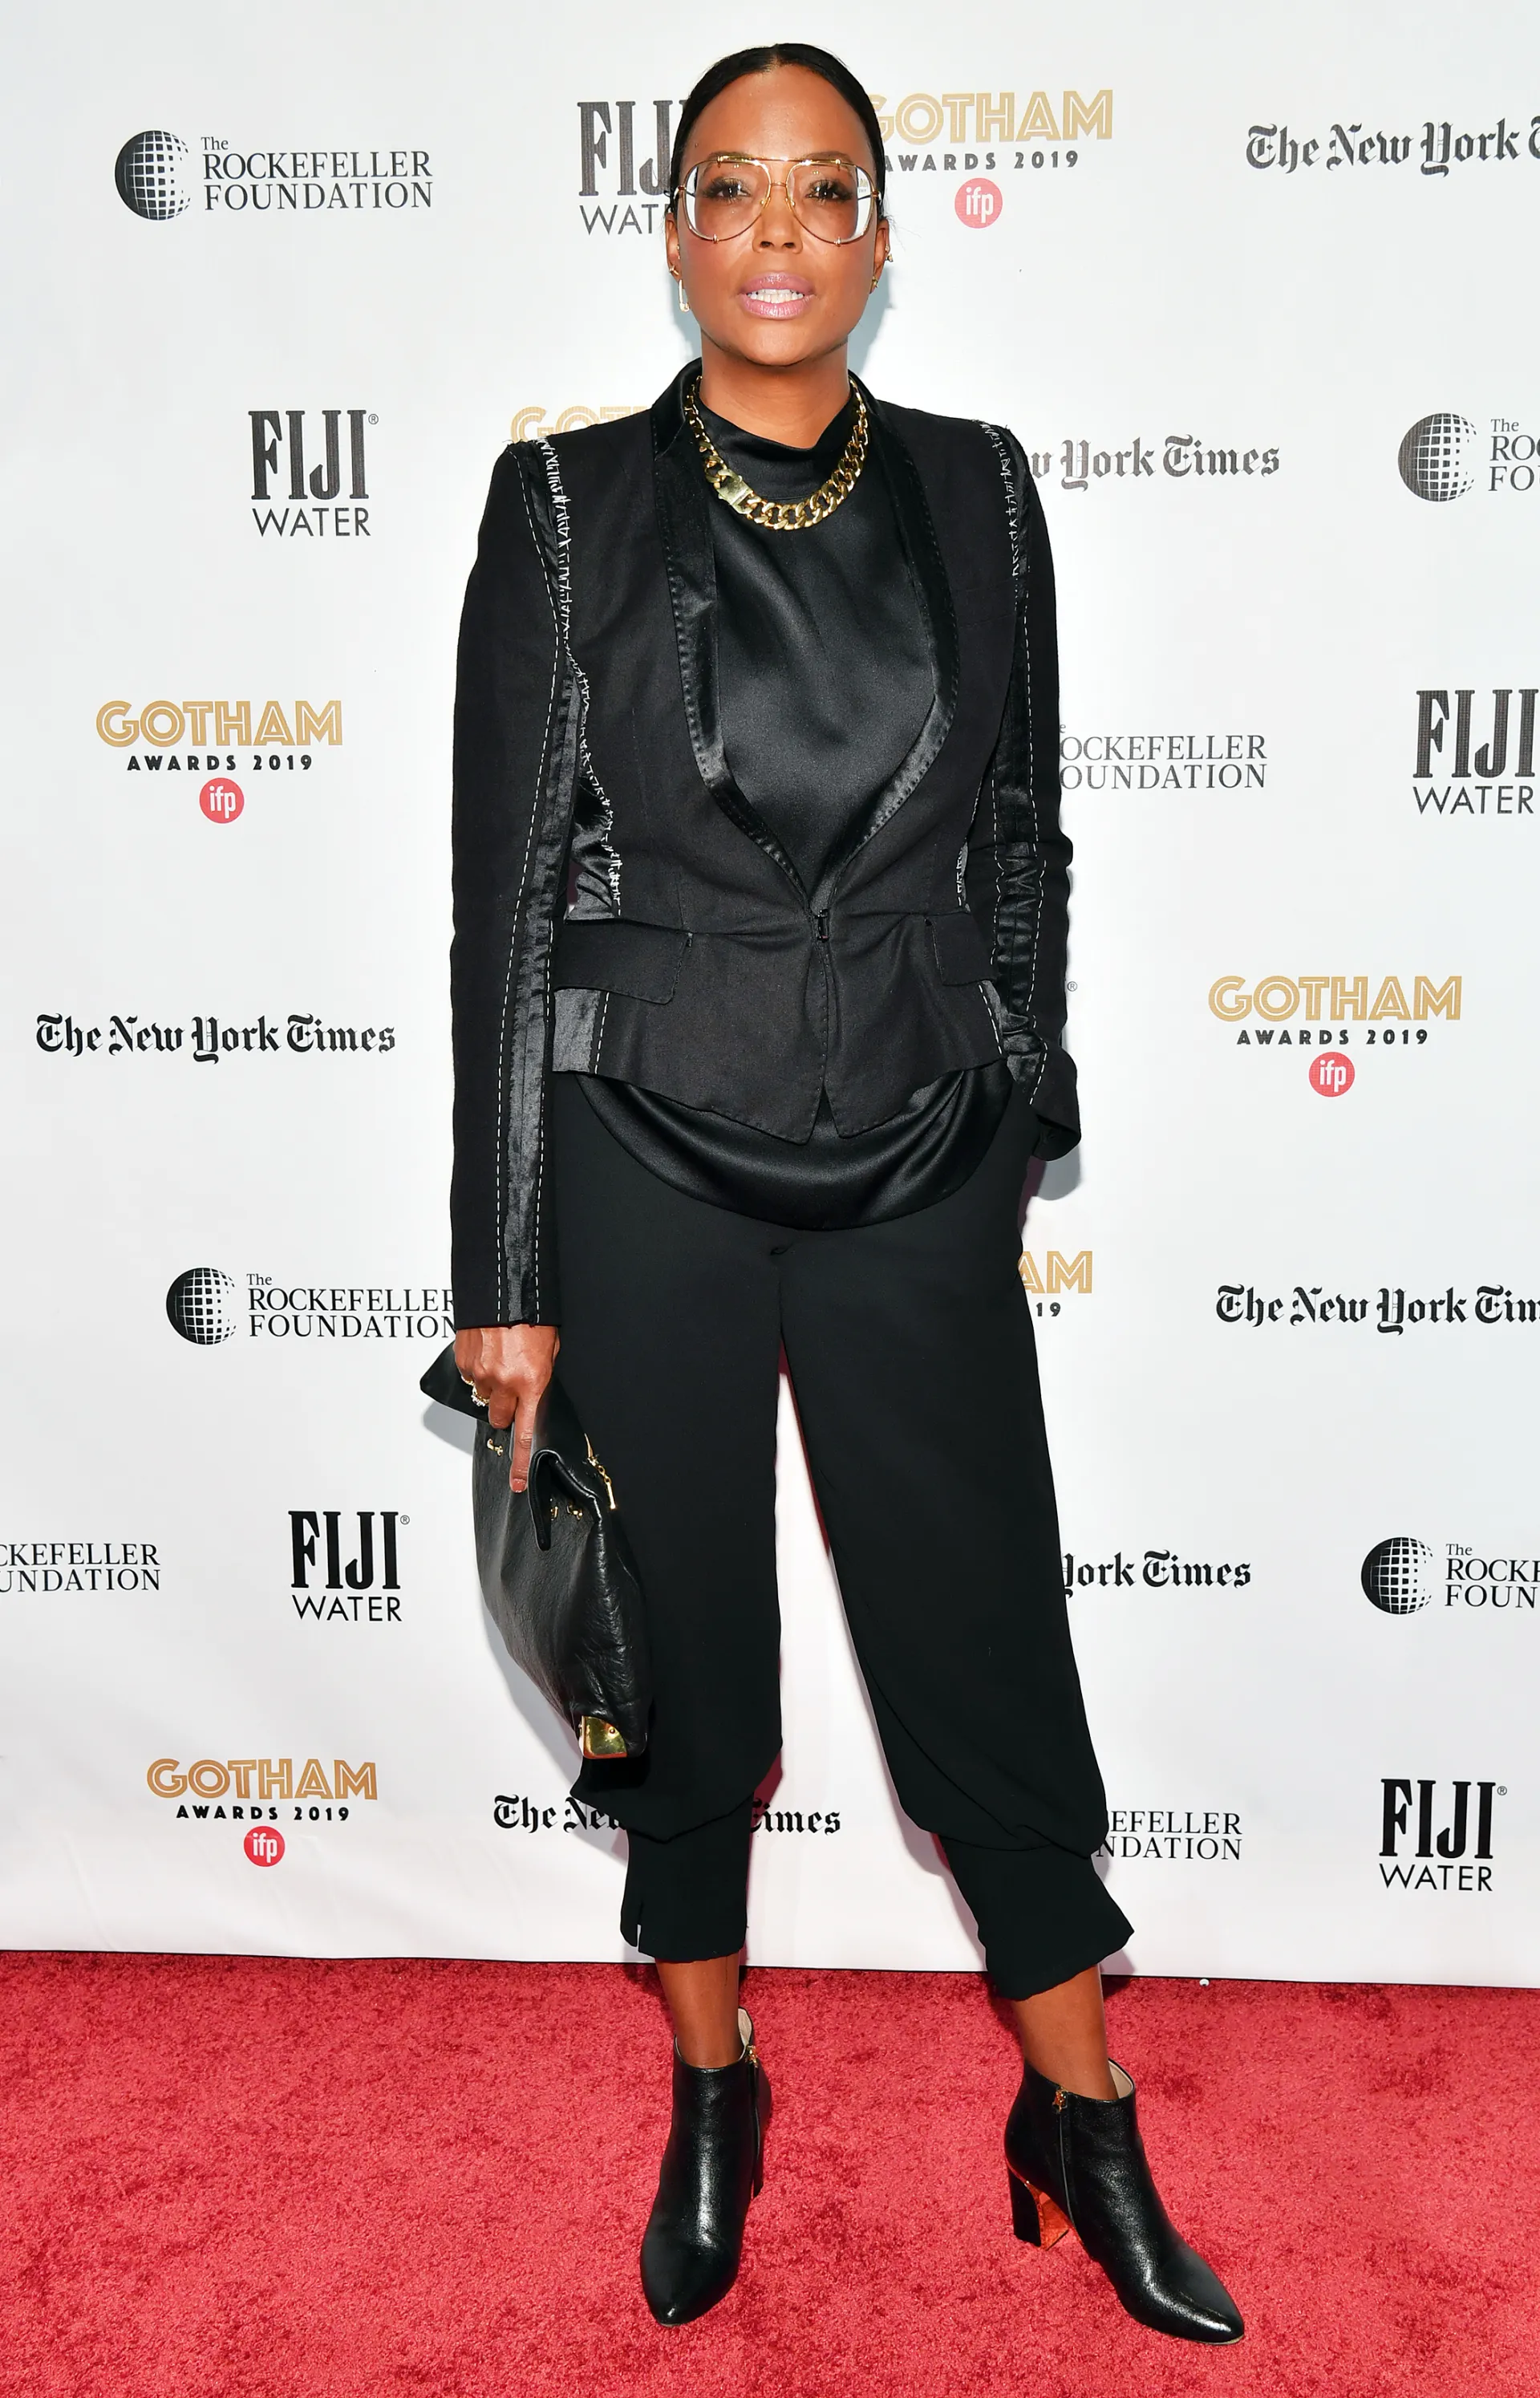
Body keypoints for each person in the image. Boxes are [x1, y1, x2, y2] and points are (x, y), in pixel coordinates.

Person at [450, 42, 1242, 2345]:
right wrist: (502, 1268)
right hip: (639, 1153)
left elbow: (1024, 832)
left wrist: (1017, 1090)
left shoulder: (983, 489)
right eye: (733, 187)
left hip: (917, 1140)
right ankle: (715, 2083)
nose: (779, 229)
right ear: (675, 231)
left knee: (978, 1626)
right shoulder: (568, 504)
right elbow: (504, 908)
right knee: (680, 1647)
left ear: (882, 236)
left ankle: (1081, 2113)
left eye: (824, 188)